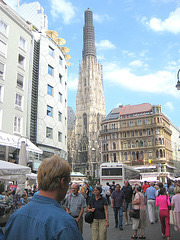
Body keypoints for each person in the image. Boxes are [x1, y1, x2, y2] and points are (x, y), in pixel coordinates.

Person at [5, 156, 83, 240]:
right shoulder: (65, 224)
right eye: (69, 182)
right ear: (62, 182)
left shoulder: (15, 217)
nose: (69, 187)